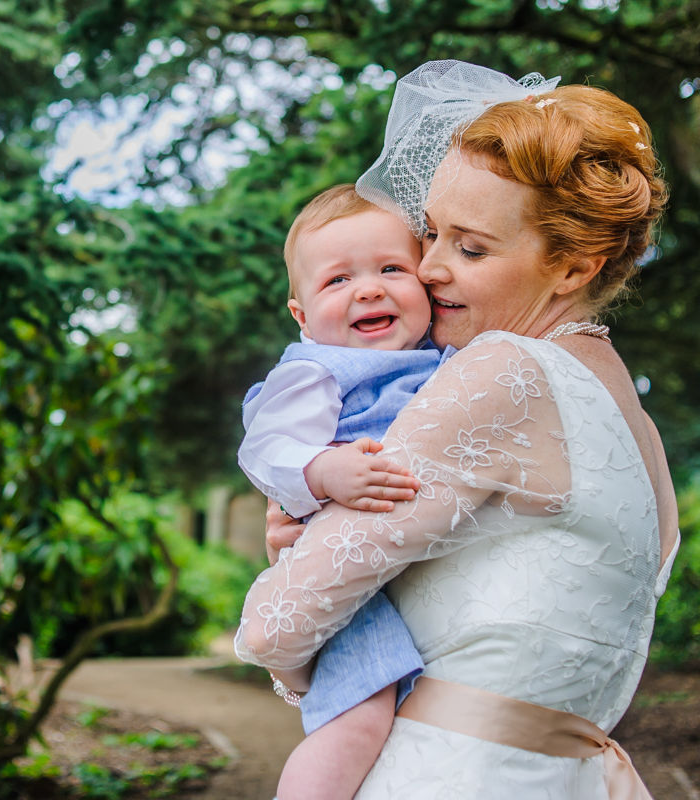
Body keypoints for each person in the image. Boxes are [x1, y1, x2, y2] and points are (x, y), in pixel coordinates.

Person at [235, 60, 680, 799]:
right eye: (431, 234)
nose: (428, 269)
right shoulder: (630, 417)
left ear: (572, 267)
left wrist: (292, 553)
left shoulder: (503, 371)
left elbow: (275, 627)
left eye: (469, 248)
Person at [238, 184, 453, 800]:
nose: (368, 289)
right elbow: (266, 450)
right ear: (302, 316)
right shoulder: (315, 372)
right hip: (345, 573)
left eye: (392, 269)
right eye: (337, 281)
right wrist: (324, 473)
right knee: (359, 714)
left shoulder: (447, 358)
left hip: (407, 566)